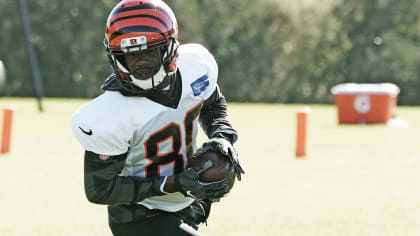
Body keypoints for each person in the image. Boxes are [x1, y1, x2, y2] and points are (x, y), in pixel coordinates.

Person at [71, 0, 244, 235]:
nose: (141, 62)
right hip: (138, 215)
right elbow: (99, 189)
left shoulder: (195, 68)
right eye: (131, 55)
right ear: (117, 58)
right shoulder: (110, 113)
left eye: (149, 51)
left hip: (187, 206)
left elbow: (212, 104)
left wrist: (222, 136)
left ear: (170, 48)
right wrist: (174, 183)